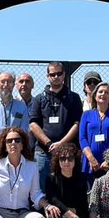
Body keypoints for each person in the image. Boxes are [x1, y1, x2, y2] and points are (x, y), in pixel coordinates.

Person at [28, 62, 83, 194]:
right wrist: (48, 143)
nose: (56, 77)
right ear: (48, 76)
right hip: (43, 152)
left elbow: (77, 123)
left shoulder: (73, 97)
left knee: (68, 189)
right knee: (41, 188)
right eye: (53, 74)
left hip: (68, 153)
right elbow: (33, 124)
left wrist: (61, 144)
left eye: (59, 74)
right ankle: (41, 214)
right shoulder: (38, 98)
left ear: (64, 75)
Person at [43, 142, 89, 218]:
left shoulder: (81, 179)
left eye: (70, 158)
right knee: (53, 212)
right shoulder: (51, 178)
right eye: (62, 158)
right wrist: (71, 213)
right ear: (58, 161)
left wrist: (74, 214)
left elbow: (82, 205)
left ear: (75, 160)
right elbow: (52, 199)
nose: (66, 162)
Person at [79, 82, 109, 185]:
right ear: (95, 96)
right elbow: (82, 138)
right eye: (100, 92)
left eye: (107, 92)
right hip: (90, 164)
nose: (103, 94)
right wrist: (91, 159)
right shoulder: (86, 115)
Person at [0, 72, 28, 159]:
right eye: (2, 81)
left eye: (9, 82)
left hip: (16, 152)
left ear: (13, 85)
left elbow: (24, 130)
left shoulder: (21, 106)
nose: (6, 85)